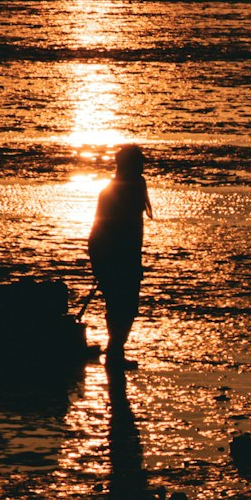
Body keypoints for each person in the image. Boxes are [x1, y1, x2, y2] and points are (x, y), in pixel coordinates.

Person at [87, 142, 153, 355]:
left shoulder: (134, 190)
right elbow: (100, 231)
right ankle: (115, 351)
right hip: (115, 260)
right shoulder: (114, 193)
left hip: (127, 261)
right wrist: (102, 264)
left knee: (125, 308)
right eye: (139, 164)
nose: (142, 169)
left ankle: (116, 350)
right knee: (120, 308)